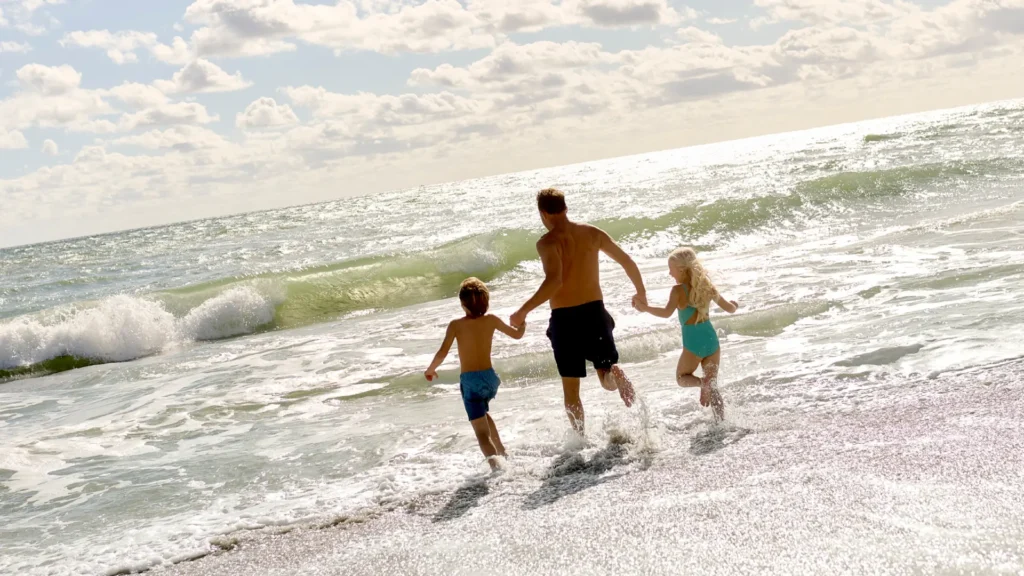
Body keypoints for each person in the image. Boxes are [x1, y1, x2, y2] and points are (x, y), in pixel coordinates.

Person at [510, 188, 647, 434]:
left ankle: (581, 440)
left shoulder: (547, 242)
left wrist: (523, 311)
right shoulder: (592, 233)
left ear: (543, 213)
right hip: (595, 313)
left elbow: (554, 281)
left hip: (565, 320)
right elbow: (627, 261)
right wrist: (641, 292)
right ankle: (614, 375)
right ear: (565, 208)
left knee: (571, 391)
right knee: (605, 377)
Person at [425, 277, 525, 470]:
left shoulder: (456, 325)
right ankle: (502, 451)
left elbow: (442, 352)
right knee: (483, 414)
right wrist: (523, 325)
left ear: (463, 304)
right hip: (490, 378)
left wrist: (431, 369)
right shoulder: (492, 320)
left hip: (471, 382)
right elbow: (517, 335)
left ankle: (497, 468)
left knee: (480, 432)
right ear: (486, 301)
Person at [632, 247, 738, 421]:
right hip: (711, 341)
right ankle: (721, 422)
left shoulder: (677, 291)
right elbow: (730, 308)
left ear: (681, 269)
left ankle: (700, 383)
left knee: (682, 378)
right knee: (713, 385)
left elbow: (666, 313)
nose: (669, 273)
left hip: (693, 344)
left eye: (671, 269)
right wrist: (735, 305)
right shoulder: (706, 285)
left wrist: (644, 308)